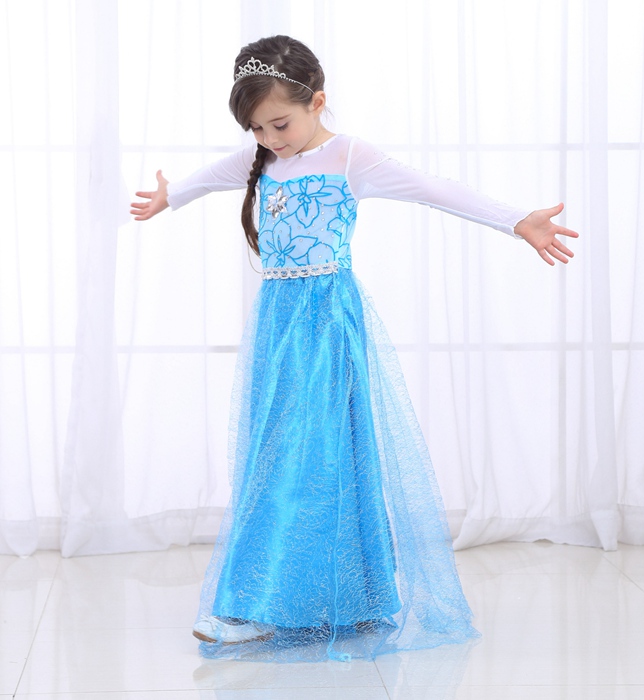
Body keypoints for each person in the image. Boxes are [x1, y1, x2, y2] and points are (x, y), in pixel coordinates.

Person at [131, 35, 578, 663]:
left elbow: (431, 188)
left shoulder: (348, 157)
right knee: (278, 455)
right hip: (278, 325)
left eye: (280, 124)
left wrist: (515, 220)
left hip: (326, 322)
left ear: (317, 102)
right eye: (256, 129)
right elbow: (205, 179)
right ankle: (292, 598)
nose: (269, 139)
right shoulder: (262, 158)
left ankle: (261, 606)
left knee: (316, 454)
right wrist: (169, 196)